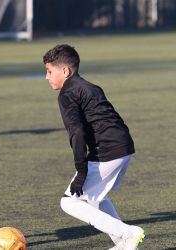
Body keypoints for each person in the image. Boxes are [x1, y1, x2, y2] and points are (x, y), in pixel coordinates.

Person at [43, 44, 144, 250]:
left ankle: (128, 233)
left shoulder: (67, 94)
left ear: (65, 71)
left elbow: (77, 133)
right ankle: (123, 243)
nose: (46, 77)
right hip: (123, 146)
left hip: (108, 150)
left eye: (49, 71)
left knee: (69, 202)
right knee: (94, 198)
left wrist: (81, 171)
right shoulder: (90, 86)